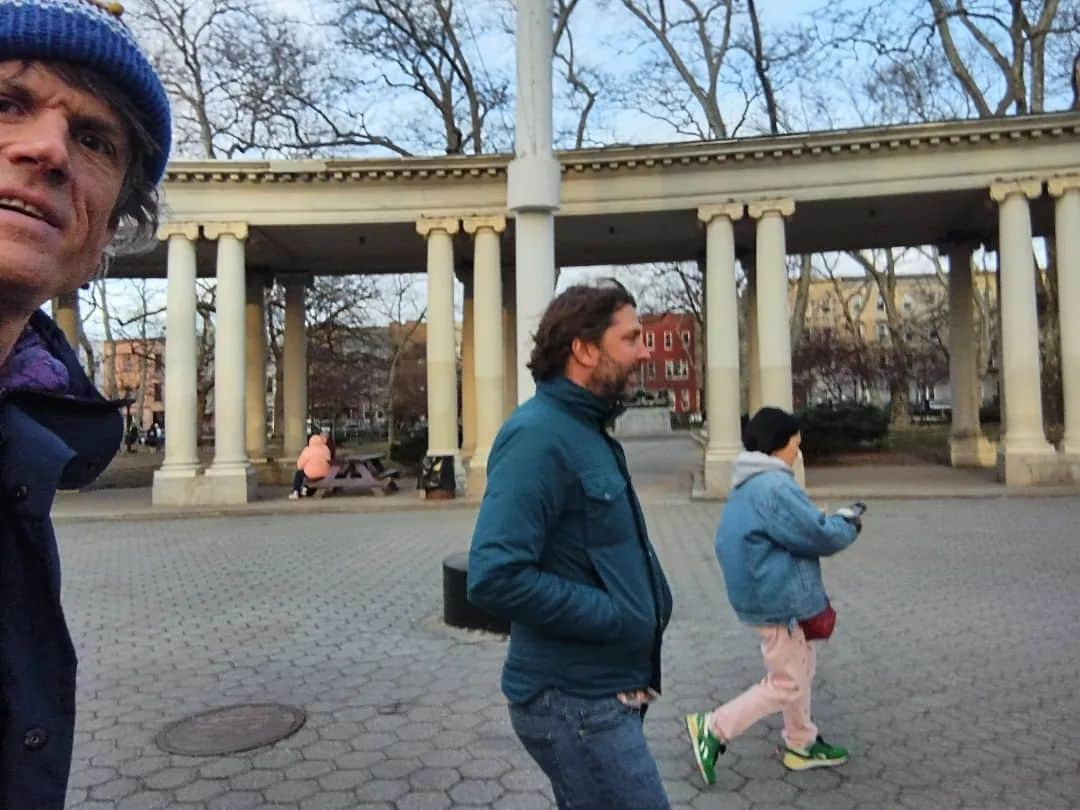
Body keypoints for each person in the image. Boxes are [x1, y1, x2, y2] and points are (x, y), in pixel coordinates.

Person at [0, 1, 171, 805]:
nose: (48, 149)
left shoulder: (26, 455)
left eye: (96, 140)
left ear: (101, 242)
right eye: (6, 102)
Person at [468, 281, 674, 809]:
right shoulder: (538, 436)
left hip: (599, 695)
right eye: (630, 339)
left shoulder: (585, 429)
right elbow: (495, 574)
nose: (644, 351)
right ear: (584, 349)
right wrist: (618, 617)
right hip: (575, 702)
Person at [684, 407, 863, 785]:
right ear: (779, 444)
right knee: (788, 681)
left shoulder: (749, 483)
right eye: (795, 444)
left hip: (764, 596)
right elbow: (819, 535)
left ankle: (801, 742)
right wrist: (848, 522)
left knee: (800, 668)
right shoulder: (774, 486)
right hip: (780, 600)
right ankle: (713, 727)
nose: (798, 451)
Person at [290, 432, 331, 499]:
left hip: (311, 473)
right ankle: (305, 491)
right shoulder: (326, 449)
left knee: (299, 474)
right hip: (325, 473)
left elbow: (300, 465)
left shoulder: (307, 449)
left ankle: (296, 492)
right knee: (315, 480)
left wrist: (304, 467)